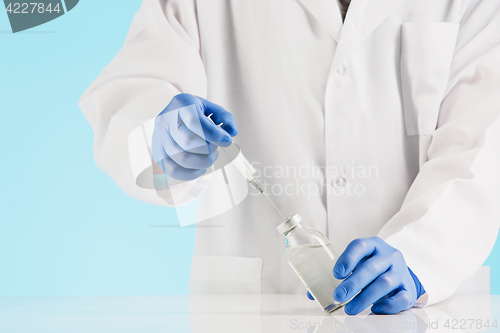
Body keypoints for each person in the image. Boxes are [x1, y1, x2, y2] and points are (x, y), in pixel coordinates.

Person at [79, 0, 500, 315]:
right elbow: (134, 87)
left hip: (419, 308)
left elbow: (483, 138)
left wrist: (421, 256)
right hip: (256, 305)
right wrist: (158, 134)